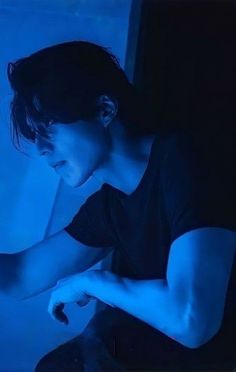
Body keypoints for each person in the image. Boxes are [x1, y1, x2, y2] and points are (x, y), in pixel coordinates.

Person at [2, 40, 235, 371]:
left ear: (105, 110)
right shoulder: (110, 204)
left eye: (49, 128)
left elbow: (191, 321)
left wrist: (94, 282)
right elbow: (20, 276)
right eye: (34, 135)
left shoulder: (185, 163)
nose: (40, 149)